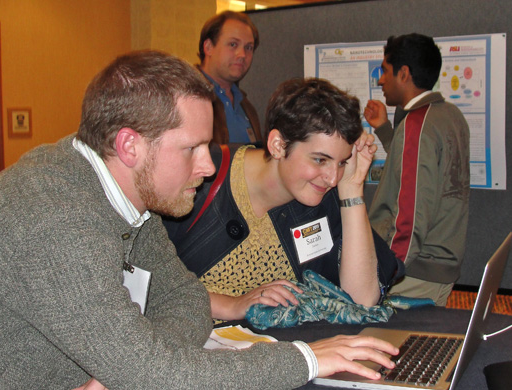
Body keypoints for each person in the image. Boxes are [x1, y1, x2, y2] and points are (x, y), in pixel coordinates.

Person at [0, 51, 399, 389]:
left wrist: (132, 365)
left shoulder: (133, 196)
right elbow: (157, 376)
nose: (210, 166)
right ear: (131, 146)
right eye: (192, 148)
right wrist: (306, 359)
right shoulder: (56, 220)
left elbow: (185, 298)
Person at [163, 78, 404, 322]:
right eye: (320, 160)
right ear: (278, 145)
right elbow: (139, 281)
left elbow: (361, 300)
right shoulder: (201, 176)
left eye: (341, 162)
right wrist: (230, 305)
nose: (332, 178)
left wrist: (352, 189)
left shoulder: (324, 197)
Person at [364, 33, 470, 307]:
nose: (380, 80)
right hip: (439, 266)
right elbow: (421, 171)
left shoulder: (417, 125)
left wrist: (386, 273)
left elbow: (409, 216)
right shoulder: (449, 116)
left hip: (413, 271)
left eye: (385, 71)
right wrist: (385, 130)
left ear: (404, 73)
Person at [198, 11, 262, 144]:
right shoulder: (189, 98)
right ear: (208, 47)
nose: (242, 54)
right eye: (233, 44)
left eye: (248, 47)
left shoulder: (245, 105)